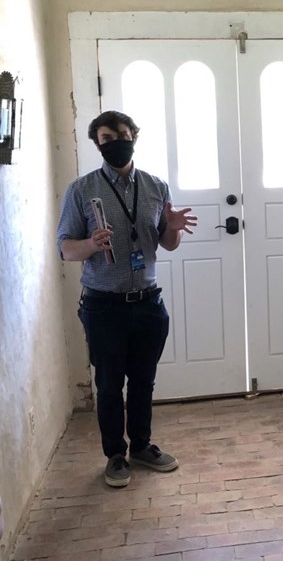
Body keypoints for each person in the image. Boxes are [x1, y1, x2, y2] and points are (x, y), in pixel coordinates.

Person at [57, 110, 197, 488]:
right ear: (97, 144)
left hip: (149, 303)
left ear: (134, 135)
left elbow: (165, 245)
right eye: (106, 138)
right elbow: (66, 250)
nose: (115, 141)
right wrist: (90, 243)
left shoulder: (155, 186)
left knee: (143, 381)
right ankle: (115, 455)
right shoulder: (81, 190)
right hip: (104, 306)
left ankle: (142, 446)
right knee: (107, 384)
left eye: (121, 134)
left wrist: (173, 228)